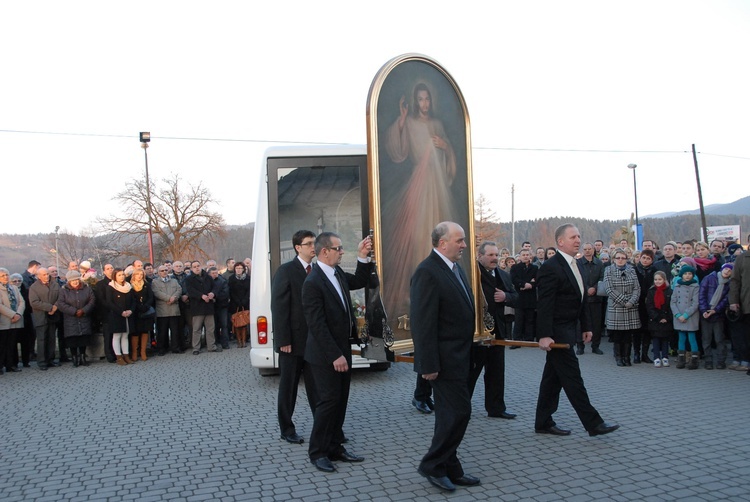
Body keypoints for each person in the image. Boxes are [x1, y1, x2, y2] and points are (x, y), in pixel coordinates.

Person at [411, 222, 480, 492]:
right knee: (459, 413)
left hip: (460, 357)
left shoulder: (454, 267)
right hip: (443, 360)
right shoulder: (427, 272)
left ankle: (451, 467)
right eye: (459, 240)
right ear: (442, 243)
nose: (464, 245)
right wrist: (427, 365)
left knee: (449, 416)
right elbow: (423, 323)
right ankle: (432, 465)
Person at [534, 224, 619, 437]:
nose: (578, 240)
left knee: (552, 380)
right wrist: (544, 335)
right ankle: (593, 424)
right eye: (573, 237)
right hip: (556, 333)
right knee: (573, 379)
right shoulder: (550, 267)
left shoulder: (577, 265)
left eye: (579, 236)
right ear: (560, 241)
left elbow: (580, 299)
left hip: (570, 329)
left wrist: (587, 326)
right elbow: (544, 304)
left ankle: (543, 422)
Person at [382, 82, 457, 320]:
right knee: (417, 232)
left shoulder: (437, 125)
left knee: (438, 225)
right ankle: (417, 289)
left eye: (427, 99)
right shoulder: (410, 122)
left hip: (437, 184)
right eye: (421, 99)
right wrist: (402, 120)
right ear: (416, 101)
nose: (424, 103)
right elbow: (398, 150)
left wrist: (445, 146)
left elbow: (448, 156)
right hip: (419, 183)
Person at [302, 232, 375, 474]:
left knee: (340, 401)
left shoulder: (338, 273)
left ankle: (334, 447)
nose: (342, 251)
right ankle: (318, 452)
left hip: (341, 348)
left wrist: (363, 257)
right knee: (328, 402)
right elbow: (317, 324)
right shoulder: (313, 283)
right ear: (325, 251)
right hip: (325, 355)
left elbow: (360, 281)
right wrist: (335, 355)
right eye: (338, 248)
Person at [272, 230, 318, 445]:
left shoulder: (318, 270)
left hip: (315, 342)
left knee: (317, 387)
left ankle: (324, 428)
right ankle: (287, 429)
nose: (313, 247)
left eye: (314, 243)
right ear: (298, 248)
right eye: (308, 243)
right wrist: (283, 341)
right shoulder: (286, 271)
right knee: (288, 387)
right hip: (292, 342)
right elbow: (279, 308)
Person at [470, 241, 518, 419]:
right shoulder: (471, 274)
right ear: (480, 256)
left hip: (498, 331)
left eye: (496, 255)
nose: (494, 259)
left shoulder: (504, 276)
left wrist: (506, 296)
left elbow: (516, 296)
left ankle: (496, 408)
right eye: (490, 255)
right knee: (471, 372)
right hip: (477, 332)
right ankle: (460, 407)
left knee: (496, 373)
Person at [604, 248, 641, 366]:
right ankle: (618, 357)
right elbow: (609, 289)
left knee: (628, 335)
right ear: (614, 259)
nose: (620, 260)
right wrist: (624, 301)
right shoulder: (608, 270)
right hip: (616, 307)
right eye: (618, 258)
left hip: (631, 307)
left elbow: (637, 288)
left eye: (623, 258)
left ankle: (627, 357)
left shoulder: (632, 270)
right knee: (618, 335)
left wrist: (631, 301)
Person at [56, 270, 95, 367]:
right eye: (73, 280)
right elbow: (61, 304)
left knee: (83, 338)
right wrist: (74, 311)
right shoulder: (63, 290)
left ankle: (82, 356)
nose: (75, 282)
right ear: (69, 281)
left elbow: (92, 300)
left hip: (84, 316)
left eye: (77, 280)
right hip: (70, 318)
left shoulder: (87, 288)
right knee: (72, 339)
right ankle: (74, 357)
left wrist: (83, 310)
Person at [699, 263, 733, 370]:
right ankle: (708, 360)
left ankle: (721, 360)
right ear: (722, 269)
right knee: (706, 339)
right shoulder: (709, 278)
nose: (727, 272)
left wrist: (715, 310)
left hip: (718, 315)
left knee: (719, 339)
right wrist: (704, 310)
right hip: (705, 313)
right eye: (726, 269)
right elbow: (702, 295)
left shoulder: (730, 284)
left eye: (730, 270)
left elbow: (726, 300)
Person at [186, 261, 221, 355]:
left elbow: (215, 287)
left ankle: (211, 346)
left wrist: (213, 293)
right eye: (194, 267)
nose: (197, 268)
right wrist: (201, 296)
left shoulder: (208, 277)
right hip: (197, 307)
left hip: (209, 306)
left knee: (210, 328)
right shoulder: (189, 279)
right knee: (196, 329)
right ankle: (196, 348)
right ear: (191, 268)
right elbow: (190, 291)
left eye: (198, 266)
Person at [28, 267, 61, 370]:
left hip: (53, 316)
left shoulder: (55, 284)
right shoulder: (34, 287)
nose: (46, 276)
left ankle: (50, 359)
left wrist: (55, 307)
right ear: (38, 276)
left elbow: (61, 297)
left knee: (51, 338)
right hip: (41, 316)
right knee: (42, 339)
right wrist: (49, 307)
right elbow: (34, 302)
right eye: (44, 274)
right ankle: (42, 362)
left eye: (47, 274)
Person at [671, 265, 701, 369]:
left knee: (692, 338)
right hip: (678, 316)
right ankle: (681, 360)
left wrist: (686, 315)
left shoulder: (695, 286)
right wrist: (678, 315)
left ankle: (694, 360)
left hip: (690, 316)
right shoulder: (677, 286)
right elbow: (673, 302)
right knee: (681, 338)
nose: (687, 276)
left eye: (689, 274)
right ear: (681, 275)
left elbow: (695, 303)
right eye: (685, 274)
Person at [577, 242, 604, 355]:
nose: (587, 251)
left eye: (589, 249)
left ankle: (595, 346)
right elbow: (577, 278)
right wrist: (587, 288)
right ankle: (580, 346)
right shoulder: (578, 263)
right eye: (585, 249)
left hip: (596, 298)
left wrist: (594, 288)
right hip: (582, 298)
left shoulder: (599, 263)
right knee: (580, 323)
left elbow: (602, 278)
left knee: (596, 324)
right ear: (582, 250)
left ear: (593, 250)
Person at [106, 268, 135, 365]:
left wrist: (131, 310)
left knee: (125, 335)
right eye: (119, 275)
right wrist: (121, 312)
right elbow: (110, 302)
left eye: (123, 274)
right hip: (116, 315)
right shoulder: (110, 287)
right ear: (114, 276)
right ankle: (119, 356)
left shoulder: (128, 286)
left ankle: (126, 355)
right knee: (117, 335)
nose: (122, 276)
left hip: (128, 314)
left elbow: (133, 300)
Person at [152, 265, 183, 355]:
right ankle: (162, 348)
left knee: (175, 330)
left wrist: (174, 298)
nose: (164, 272)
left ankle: (175, 348)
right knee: (162, 331)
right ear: (158, 272)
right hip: (162, 310)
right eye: (162, 270)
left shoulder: (173, 280)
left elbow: (179, 290)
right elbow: (157, 293)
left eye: (166, 270)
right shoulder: (155, 282)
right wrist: (169, 298)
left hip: (174, 309)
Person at [728, 246, 750, 373]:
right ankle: (746, 361)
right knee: (746, 336)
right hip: (746, 303)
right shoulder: (742, 258)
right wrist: (734, 301)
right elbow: (735, 281)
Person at [0, 268, 25, 374]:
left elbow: (21, 302)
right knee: (2, 345)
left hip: (16, 321)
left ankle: (11, 365)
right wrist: (12, 314)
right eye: (2, 276)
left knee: (12, 344)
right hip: (4, 321)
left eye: (7, 275)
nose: (6, 277)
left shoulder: (14, 288)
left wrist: (18, 314)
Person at [646, 271, 673, 367]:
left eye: (660, 279)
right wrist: (657, 317)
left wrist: (667, 318)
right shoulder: (651, 291)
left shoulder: (669, 291)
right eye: (656, 279)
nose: (657, 281)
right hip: (655, 320)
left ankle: (665, 357)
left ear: (664, 280)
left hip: (667, 320)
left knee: (665, 339)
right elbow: (649, 306)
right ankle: (656, 357)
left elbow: (671, 305)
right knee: (656, 339)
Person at [634, 249, 656, 363]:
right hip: (637, 303)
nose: (645, 260)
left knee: (647, 330)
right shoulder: (634, 270)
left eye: (648, 258)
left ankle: (645, 354)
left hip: (649, 303)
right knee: (637, 330)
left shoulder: (655, 271)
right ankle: (636, 353)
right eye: (644, 258)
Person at [510, 249, 537, 343]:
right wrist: (524, 284)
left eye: (527, 254)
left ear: (530, 256)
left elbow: (537, 280)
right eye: (523, 255)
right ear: (520, 257)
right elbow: (514, 279)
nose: (525, 256)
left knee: (530, 319)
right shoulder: (515, 268)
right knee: (518, 320)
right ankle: (516, 340)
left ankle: (529, 339)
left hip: (530, 297)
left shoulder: (534, 268)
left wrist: (531, 285)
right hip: (519, 297)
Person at [129, 268, 154, 362]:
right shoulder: (130, 286)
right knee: (135, 332)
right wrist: (138, 307)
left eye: (141, 274)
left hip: (146, 311)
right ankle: (135, 352)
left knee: (145, 331)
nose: (139, 276)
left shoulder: (147, 285)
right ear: (134, 275)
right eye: (137, 274)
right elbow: (131, 299)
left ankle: (143, 352)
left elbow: (151, 297)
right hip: (135, 312)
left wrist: (146, 306)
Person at [94, 264, 117, 363]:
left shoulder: (118, 282)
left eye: (112, 268)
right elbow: (101, 300)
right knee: (108, 335)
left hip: (118, 313)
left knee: (117, 334)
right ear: (104, 271)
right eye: (108, 269)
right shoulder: (100, 284)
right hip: (106, 313)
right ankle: (109, 354)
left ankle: (118, 353)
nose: (110, 270)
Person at [228, 262, 250, 346]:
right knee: (237, 323)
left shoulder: (248, 278)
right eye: (237, 268)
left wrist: (244, 300)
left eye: (240, 268)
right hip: (235, 304)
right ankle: (239, 341)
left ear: (243, 269)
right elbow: (231, 291)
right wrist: (237, 300)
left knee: (244, 322)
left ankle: (244, 340)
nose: (238, 270)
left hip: (245, 303)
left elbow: (249, 291)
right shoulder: (231, 278)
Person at [209, 266, 230, 350]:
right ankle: (215, 342)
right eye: (213, 273)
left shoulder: (223, 281)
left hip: (222, 306)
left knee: (224, 325)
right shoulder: (207, 282)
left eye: (216, 273)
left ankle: (225, 343)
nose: (215, 275)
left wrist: (215, 297)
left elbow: (225, 293)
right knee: (214, 326)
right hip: (211, 307)